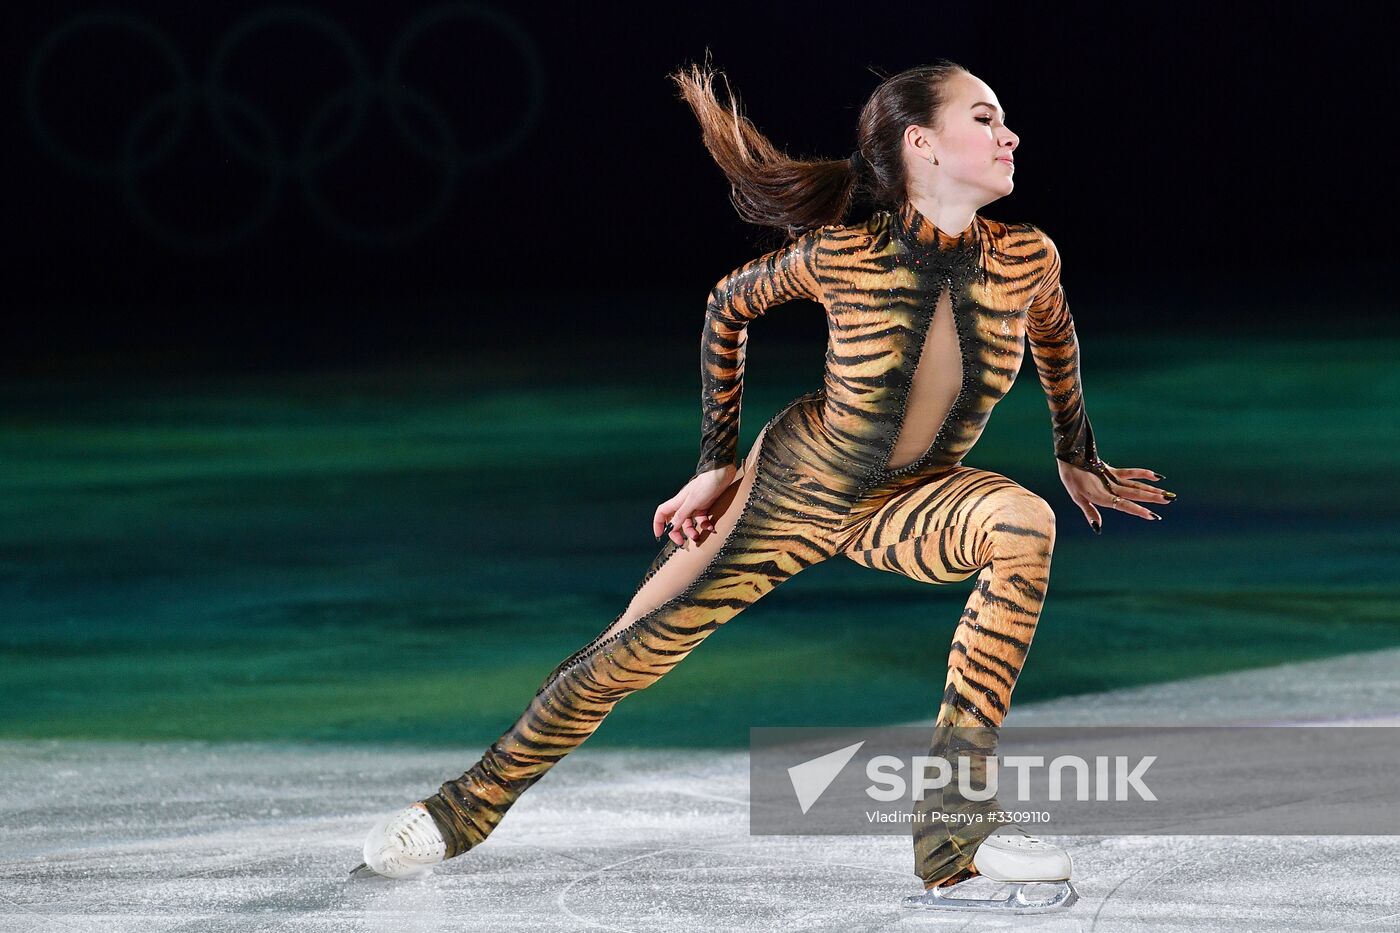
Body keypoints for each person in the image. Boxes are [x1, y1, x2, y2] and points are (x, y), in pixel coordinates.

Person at [349, 57, 1172, 915]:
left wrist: (1075, 449)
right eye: (984, 117)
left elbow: (1057, 332)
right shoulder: (842, 253)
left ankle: (951, 833)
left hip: (912, 499)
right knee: (628, 653)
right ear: (921, 144)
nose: (1009, 133)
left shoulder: (1027, 256)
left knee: (1022, 521)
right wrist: (716, 458)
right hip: (795, 485)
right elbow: (726, 306)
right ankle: (460, 807)